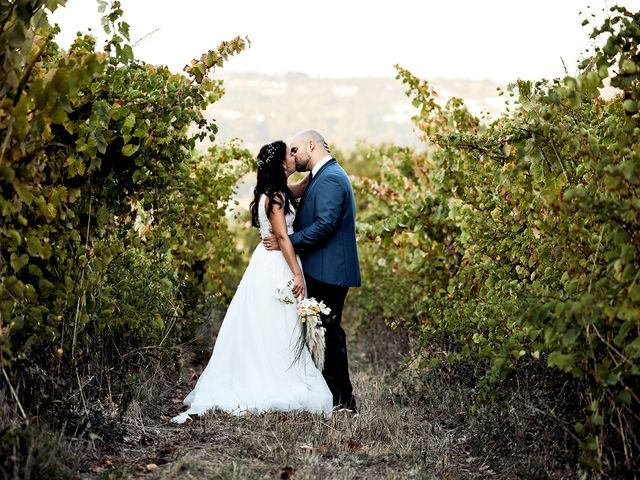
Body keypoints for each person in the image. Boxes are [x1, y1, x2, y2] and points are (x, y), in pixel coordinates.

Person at [171, 140, 332, 424]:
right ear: (282, 164)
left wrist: (318, 162)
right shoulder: (277, 198)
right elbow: (282, 237)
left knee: (267, 322)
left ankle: (264, 371)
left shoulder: (271, 193)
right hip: (278, 263)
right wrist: (296, 274)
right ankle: (272, 379)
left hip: (263, 263)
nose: (293, 158)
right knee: (279, 322)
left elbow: (300, 188)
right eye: (289, 155)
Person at [263, 130, 361, 413]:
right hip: (322, 267)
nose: (292, 156)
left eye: (294, 150)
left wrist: (287, 242)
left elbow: (326, 225)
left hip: (329, 270)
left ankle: (343, 402)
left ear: (310, 145)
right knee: (321, 334)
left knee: (329, 334)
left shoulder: (330, 177)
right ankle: (329, 397)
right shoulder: (322, 175)